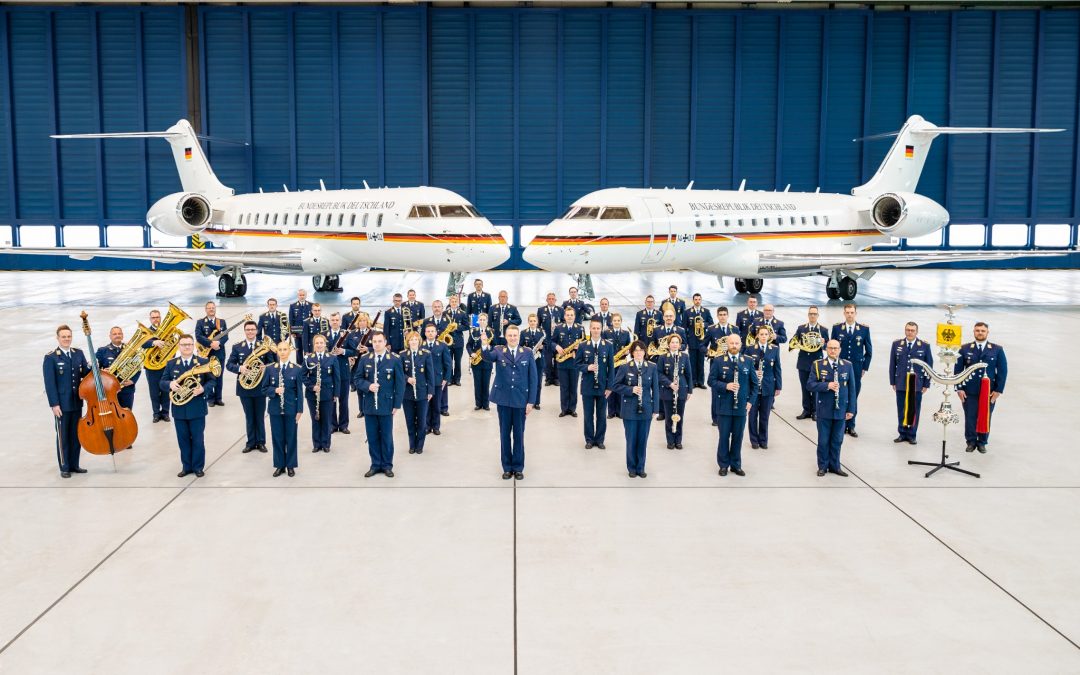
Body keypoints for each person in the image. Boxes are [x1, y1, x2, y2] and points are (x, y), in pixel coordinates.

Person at [482, 325, 536, 479]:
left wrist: (531, 401)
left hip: (520, 401)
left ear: (518, 336)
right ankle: (507, 467)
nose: (513, 338)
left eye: (515, 335)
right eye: (510, 335)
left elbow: (533, 378)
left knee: (519, 435)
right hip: (504, 400)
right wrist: (485, 344)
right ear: (505, 337)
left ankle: (518, 467)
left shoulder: (527, 353)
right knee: (505, 434)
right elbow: (487, 357)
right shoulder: (499, 351)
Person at [354, 332, 405, 477]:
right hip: (369, 405)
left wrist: (397, 404)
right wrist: (368, 386)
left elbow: (400, 384)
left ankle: (387, 465)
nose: (377, 344)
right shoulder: (365, 359)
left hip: (387, 404)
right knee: (372, 437)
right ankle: (375, 464)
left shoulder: (394, 359)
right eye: (374, 341)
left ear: (385, 342)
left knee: (387, 437)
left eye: (379, 341)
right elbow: (357, 379)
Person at [43, 324, 91, 478]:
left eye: (69, 336)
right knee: (63, 437)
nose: (66, 339)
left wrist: (94, 367)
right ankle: (64, 467)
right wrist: (54, 404)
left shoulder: (78, 353)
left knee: (76, 435)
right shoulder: (51, 357)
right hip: (62, 405)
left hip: (77, 402)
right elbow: (50, 384)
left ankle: (74, 465)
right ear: (58, 338)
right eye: (63, 337)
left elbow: (85, 372)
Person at [708, 333, 759, 477]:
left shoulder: (747, 361)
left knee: (738, 437)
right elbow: (711, 381)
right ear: (727, 345)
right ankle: (723, 465)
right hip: (724, 406)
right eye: (731, 343)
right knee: (723, 437)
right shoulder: (718, 361)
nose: (734, 346)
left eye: (737, 343)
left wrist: (750, 402)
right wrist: (726, 386)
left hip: (742, 407)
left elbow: (755, 385)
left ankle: (736, 465)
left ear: (741, 344)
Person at [162, 335, 211, 478]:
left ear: (193, 346)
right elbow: (162, 382)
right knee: (183, 440)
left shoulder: (202, 362)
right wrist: (169, 384)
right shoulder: (171, 364)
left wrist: (203, 389)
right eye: (184, 345)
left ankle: (198, 467)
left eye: (189, 344)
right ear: (179, 346)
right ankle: (186, 467)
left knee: (197, 439)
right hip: (179, 410)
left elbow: (212, 381)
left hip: (197, 408)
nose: (187, 347)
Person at [956, 322, 1008, 453]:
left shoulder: (997, 349)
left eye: (983, 331)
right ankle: (971, 441)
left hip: (988, 392)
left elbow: (1002, 371)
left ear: (987, 333)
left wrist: (998, 390)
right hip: (969, 391)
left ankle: (982, 442)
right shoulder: (964, 349)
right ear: (974, 332)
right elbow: (958, 370)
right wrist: (959, 388)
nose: (980, 332)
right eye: (977, 330)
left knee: (986, 416)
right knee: (970, 416)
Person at [808, 339, 856, 477]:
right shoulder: (817, 365)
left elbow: (852, 390)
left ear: (840, 349)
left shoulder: (847, 365)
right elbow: (810, 385)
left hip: (841, 410)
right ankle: (822, 466)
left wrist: (851, 409)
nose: (833, 351)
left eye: (835, 348)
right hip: (824, 409)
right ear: (826, 349)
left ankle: (835, 466)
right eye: (830, 348)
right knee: (823, 440)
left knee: (837, 440)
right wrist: (826, 386)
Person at [612, 341, 660, 478]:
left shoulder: (652, 367)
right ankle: (632, 468)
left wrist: (656, 409)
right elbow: (615, 386)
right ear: (632, 353)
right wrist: (630, 389)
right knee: (631, 439)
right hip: (629, 409)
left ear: (645, 352)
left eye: (641, 350)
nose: (639, 353)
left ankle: (641, 467)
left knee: (643, 440)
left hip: (646, 408)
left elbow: (655, 390)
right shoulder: (625, 367)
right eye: (636, 350)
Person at [226, 320, 271, 453]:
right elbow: (229, 365)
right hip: (244, 388)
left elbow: (273, 363)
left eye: (252, 329)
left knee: (260, 416)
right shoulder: (237, 347)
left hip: (260, 387)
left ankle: (261, 442)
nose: (250, 332)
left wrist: (265, 367)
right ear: (245, 331)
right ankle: (251, 442)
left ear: (257, 331)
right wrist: (240, 368)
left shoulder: (264, 346)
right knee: (249, 416)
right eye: (248, 329)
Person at [263, 340, 304, 477]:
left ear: (289, 351)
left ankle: (291, 465)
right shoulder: (270, 369)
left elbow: (299, 392)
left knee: (291, 438)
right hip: (275, 410)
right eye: (280, 350)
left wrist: (300, 410)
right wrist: (274, 390)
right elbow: (264, 389)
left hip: (291, 409)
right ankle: (280, 465)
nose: (282, 352)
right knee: (277, 438)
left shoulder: (297, 369)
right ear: (277, 352)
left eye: (285, 349)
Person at [832, 303, 872, 437]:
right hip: (840, 368)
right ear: (844, 313)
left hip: (855, 369)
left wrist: (864, 367)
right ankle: (841, 425)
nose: (849, 314)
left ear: (856, 313)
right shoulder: (837, 328)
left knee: (853, 397)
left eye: (852, 312)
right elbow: (832, 348)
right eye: (847, 312)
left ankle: (852, 425)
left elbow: (869, 351)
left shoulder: (864, 330)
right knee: (841, 396)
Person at [889, 322, 933, 445]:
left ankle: (912, 434)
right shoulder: (897, 344)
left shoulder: (924, 346)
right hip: (901, 382)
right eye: (908, 330)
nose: (910, 332)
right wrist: (893, 381)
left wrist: (926, 384)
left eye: (912, 330)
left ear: (916, 332)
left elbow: (929, 366)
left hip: (916, 384)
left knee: (914, 409)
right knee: (901, 408)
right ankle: (902, 433)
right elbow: (892, 364)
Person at [576, 318, 615, 450]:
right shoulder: (583, 345)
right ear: (590, 329)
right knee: (588, 415)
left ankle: (600, 440)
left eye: (598, 328)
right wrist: (587, 367)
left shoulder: (608, 345)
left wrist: (610, 387)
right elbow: (577, 364)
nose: (596, 330)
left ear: (601, 329)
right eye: (593, 328)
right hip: (587, 386)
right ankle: (589, 439)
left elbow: (611, 368)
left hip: (603, 387)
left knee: (601, 415)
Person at [745, 325, 782, 450]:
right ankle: (754, 440)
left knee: (765, 415)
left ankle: (763, 440)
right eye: (761, 334)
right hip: (753, 388)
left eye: (766, 334)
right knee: (753, 415)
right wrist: (754, 372)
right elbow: (743, 368)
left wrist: (778, 386)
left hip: (768, 387)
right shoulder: (750, 349)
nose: (764, 336)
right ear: (757, 336)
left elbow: (777, 368)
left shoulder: (774, 349)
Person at [401, 331, 435, 454]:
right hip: (407, 394)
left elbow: (430, 374)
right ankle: (412, 444)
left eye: (416, 339)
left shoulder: (426, 354)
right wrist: (407, 379)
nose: (413, 342)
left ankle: (419, 445)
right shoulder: (403, 355)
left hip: (422, 392)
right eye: (411, 339)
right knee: (410, 421)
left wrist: (430, 390)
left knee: (421, 421)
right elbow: (399, 374)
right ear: (408, 341)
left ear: (419, 341)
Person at [657, 333, 693, 450]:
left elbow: (688, 374)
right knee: (669, 416)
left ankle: (678, 440)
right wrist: (670, 384)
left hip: (681, 390)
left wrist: (690, 391)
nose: (675, 344)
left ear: (680, 344)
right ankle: (670, 440)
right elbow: (659, 374)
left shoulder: (684, 357)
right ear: (668, 344)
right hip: (668, 391)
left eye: (677, 342)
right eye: (672, 342)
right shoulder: (663, 357)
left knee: (679, 415)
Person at [793, 307, 829, 420]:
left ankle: (815, 411)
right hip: (803, 362)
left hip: (816, 363)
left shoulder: (823, 330)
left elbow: (828, 347)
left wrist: (823, 344)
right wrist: (798, 344)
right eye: (811, 314)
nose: (812, 316)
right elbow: (793, 342)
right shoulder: (801, 328)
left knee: (815, 387)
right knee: (805, 388)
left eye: (815, 314)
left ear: (818, 315)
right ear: (808, 315)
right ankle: (806, 410)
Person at [303, 334, 337, 453]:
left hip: (328, 393)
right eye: (317, 343)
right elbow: (303, 376)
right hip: (312, 395)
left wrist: (336, 394)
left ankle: (326, 443)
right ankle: (317, 444)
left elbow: (336, 377)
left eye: (321, 343)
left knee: (327, 420)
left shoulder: (332, 358)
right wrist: (312, 387)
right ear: (314, 345)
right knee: (315, 419)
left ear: (325, 344)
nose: (319, 345)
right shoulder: (308, 358)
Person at [96, 326, 139, 411]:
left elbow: (138, 368)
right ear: (110, 336)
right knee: (112, 415)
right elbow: (95, 368)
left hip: (127, 390)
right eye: (114, 334)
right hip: (109, 389)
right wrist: (102, 372)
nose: (117, 335)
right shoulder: (102, 350)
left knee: (127, 414)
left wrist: (132, 380)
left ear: (122, 335)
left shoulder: (131, 349)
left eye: (119, 333)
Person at [195, 301, 228, 406]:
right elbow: (198, 336)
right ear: (206, 310)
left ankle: (218, 398)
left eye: (213, 308)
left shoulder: (221, 322)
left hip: (219, 353)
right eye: (209, 308)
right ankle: (210, 398)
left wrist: (219, 342)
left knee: (219, 376)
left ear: (215, 309)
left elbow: (225, 336)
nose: (211, 309)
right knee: (208, 376)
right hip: (206, 355)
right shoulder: (200, 322)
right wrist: (210, 343)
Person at [553, 306, 584, 417]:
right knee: (564, 387)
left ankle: (572, 409)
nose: (570, 317)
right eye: (568, 315)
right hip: (562, 362)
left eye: (572, 315)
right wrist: (556, 347)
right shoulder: (558, 328)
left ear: (574, 316)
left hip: (575, 362)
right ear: (564, 316)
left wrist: (579, 349)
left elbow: (584, 344)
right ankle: (564, 409)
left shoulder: (580, 328)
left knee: (573, 386)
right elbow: (551, 342)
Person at [342, 312, 373, 420]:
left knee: (369, 387)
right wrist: (350, 357)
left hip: (370, 364)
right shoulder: (352, 334)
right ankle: (362, 410)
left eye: (364, 321)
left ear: (367, 322)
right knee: (360, 388)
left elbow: (379, 347)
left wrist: (368, 349)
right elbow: (349, 348)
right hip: (357, 364)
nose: (362, 323)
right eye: (360, 321)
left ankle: (369, 408)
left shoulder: (372, 333)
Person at [422, 323, 452, 435]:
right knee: (426, 405)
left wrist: (446, 379)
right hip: (424, 381)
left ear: (436, 333)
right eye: (428, 331)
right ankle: (427, 426)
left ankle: (436, 426)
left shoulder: (442, 346)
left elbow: (448, 364)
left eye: (432, 331)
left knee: (436, 404)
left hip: (438, 380)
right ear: (425, 333)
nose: (430, 333)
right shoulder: (421, 346)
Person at [143, 309, 171, 423]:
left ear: (161, 318)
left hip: (165, 366)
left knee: (165, 390)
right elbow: (141, 344)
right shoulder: (146, 331)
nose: (156, 319)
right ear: (150, 319)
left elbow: (173, 344)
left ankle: (165, 413)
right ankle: (156, 413)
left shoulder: (167, 331)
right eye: (153, 317)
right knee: (154, 391)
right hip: (151, 367)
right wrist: (153, 343)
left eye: (157, 317)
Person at [325, 313, 351, 434]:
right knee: (331, 400)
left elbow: (355, 350)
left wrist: (343, 351)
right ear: (329, 321)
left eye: (337, 320)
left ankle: (344, 425)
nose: (335, 322)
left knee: (344, 400)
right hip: (329, 372)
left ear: (340, 322)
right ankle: (333, 425)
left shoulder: (346, 334)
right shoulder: (324, 334)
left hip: (343, 372)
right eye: (332, 320)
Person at [605, 312, 634, 419]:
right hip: (610, 363)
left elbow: (630, 348)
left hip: (622, 364)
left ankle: (620, 411)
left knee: (621, 386)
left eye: (618, 320)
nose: (616, 322)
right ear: (611, 322)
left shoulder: (626, 334)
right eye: (615, 320)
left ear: (621, 322)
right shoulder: (606, 333)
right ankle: (611, 411)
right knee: (611, 385)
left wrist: (628, 352)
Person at [683, 294, 713, 389]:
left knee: (701, 363)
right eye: (696, 299)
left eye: (699, 299)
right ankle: (692, 382)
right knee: (692, 363)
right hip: (692, 341)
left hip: (702, 342)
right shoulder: (687, 312)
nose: (697, 301)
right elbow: (684, 327)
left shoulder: (706, 312)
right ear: (693, 300)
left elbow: (711, 324)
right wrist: (685, 342)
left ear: (701, 300)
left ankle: (700, 382)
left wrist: (704, 324)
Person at [467, 314, 495, 410]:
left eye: (484, 319)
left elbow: (495, 346)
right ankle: (478, 404)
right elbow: (468, 345)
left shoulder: (491, 332)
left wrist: (489, 348)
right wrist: (471, 353)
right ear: (478, 321)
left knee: (486, 384)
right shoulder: (473, 332)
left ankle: (486, 404)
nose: (482, 321)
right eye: (480, 319)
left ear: (487, 321)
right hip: (476, 362)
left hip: (487, 362)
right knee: (477, 383)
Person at [519, 314, 546, 410]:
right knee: (527, 382)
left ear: (537, 322)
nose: (532, 323)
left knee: (538, 382)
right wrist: (525, 349)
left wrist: (542, 347)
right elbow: (520, 347)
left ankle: (536, 402)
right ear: (528, 322)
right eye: (531, 321)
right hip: (527, 361)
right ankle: (527, 401)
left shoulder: (542, 333)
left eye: (534, 321)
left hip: (538, 361)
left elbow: (546, 346)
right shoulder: (523, 333)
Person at [537, 292, 562, 386]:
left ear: (555, 300)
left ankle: (556, 378)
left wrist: (558, 325)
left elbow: (564, 323)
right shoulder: (541, 310)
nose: (551, 300)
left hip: (557, 340)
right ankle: (548, 378)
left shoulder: (560, 310)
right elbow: (538, 325)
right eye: (549, 299)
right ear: (547, 300)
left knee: (557, 359)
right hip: (546, 340)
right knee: (547, 361)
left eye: (553, 299)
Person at [446, 295, 470, 386]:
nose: (454, 303)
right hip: (447, 341)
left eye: (455, 301)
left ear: (458, 302)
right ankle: (449, 379)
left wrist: (457, 327)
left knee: (457, 361)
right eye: (452, 301)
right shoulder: (445, 313)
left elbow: (467, 326)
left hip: (458, 341)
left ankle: (457, 379)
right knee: (448, 361)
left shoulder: (463, 313)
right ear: (450, 302)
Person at [289, 289, 312, 363]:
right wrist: (292, 332)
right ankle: (299, 367)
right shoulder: (293, 306)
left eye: (303, 295)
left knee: (308, 350)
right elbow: (291, 319)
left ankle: (308, 365)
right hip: (297, 332)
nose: (302, 296)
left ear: (306, 295)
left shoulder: (311, 305)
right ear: (298, 296)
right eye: (300, 295)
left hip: (308, 331)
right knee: (298, 350)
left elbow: (312, 318)